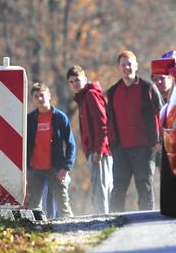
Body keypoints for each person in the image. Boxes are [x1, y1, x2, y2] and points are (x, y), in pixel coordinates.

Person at [106, 50, 164, 212]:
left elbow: (162, 113)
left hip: (145, 147)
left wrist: (159, 141)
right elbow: (109, 120)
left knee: (144, 185)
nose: (127, 68)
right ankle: (114, 220)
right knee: (119, 185)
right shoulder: (113, 92)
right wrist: (112, 144)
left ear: (136, 66)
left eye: (130, 64)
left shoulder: (148, 88)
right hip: (121, 148)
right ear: (118, 68)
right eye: (123, 65)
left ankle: (147, 220)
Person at [66, 65, 113, 215]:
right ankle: (103, 216)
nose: (75, 84)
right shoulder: (83, 98)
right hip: (93, 150)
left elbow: (103, 124)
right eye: (71, 82)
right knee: (98, 185)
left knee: (101, 187)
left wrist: (98, 150)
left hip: (100, 151)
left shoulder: (91, 95)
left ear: (85, 79)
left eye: (78, 80)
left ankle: (104, 219)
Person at [26, 82, 75, 218]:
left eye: (42, 95)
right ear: (33, 100)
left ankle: (72, 230)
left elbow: (71, 144)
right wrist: (25, 170)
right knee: (32, 208)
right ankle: (36, 233)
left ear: (49, 96)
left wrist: (66, 167)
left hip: (56, 169)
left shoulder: (60, 117)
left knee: (63, 206)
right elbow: (23, 146)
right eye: (36, 96)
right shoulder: (29, 120)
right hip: (35, 170)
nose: (39, 99)